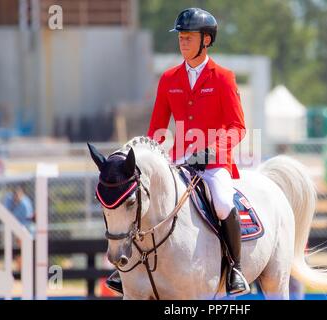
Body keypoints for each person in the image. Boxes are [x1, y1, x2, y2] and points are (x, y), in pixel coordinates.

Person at [107, 7, 250, 297]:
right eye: (181, 37)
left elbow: (238, 127)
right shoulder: (169, 78)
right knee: (144, 204)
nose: (182, 42)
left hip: (213, 164)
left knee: (222, 202)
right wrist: (149, 161)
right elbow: (156, 130)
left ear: (206, 40)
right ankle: (126, 269)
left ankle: (234, 268)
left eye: (189, 37)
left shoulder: (223, 77)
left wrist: (212, 151)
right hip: (179, 162)